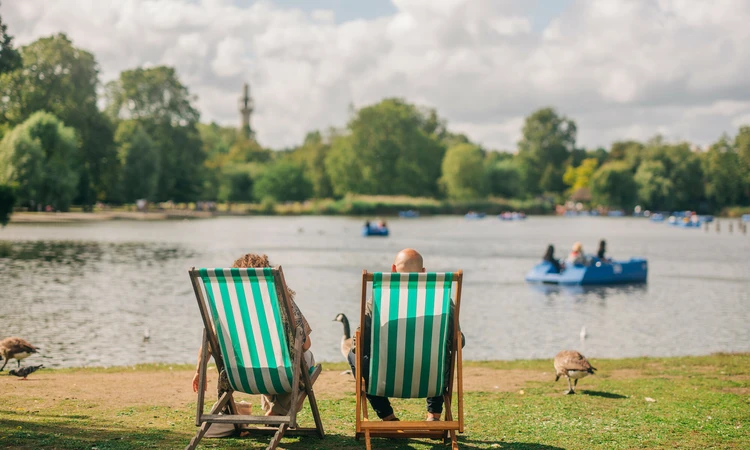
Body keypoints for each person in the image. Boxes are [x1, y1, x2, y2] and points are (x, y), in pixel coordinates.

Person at [348, 248, 465, 422]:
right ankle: (434, 415)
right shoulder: (441, 299)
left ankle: (387, 416)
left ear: (393, 269)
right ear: (423, 272)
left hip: (385, 375)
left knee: (353, 355)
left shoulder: (380, 298)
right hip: (431, 377)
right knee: (441, 354)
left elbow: (360, 342)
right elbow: (458, 342)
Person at [191, 253, 314, 418]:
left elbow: (209, 342)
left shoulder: (227, 309)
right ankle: (278, 412)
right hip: (281, 377)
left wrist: (200, 371)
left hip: (239, 377)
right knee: (304, 357)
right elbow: (305, 344)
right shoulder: (282, 302)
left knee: (268, 359)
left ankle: (273, 408)